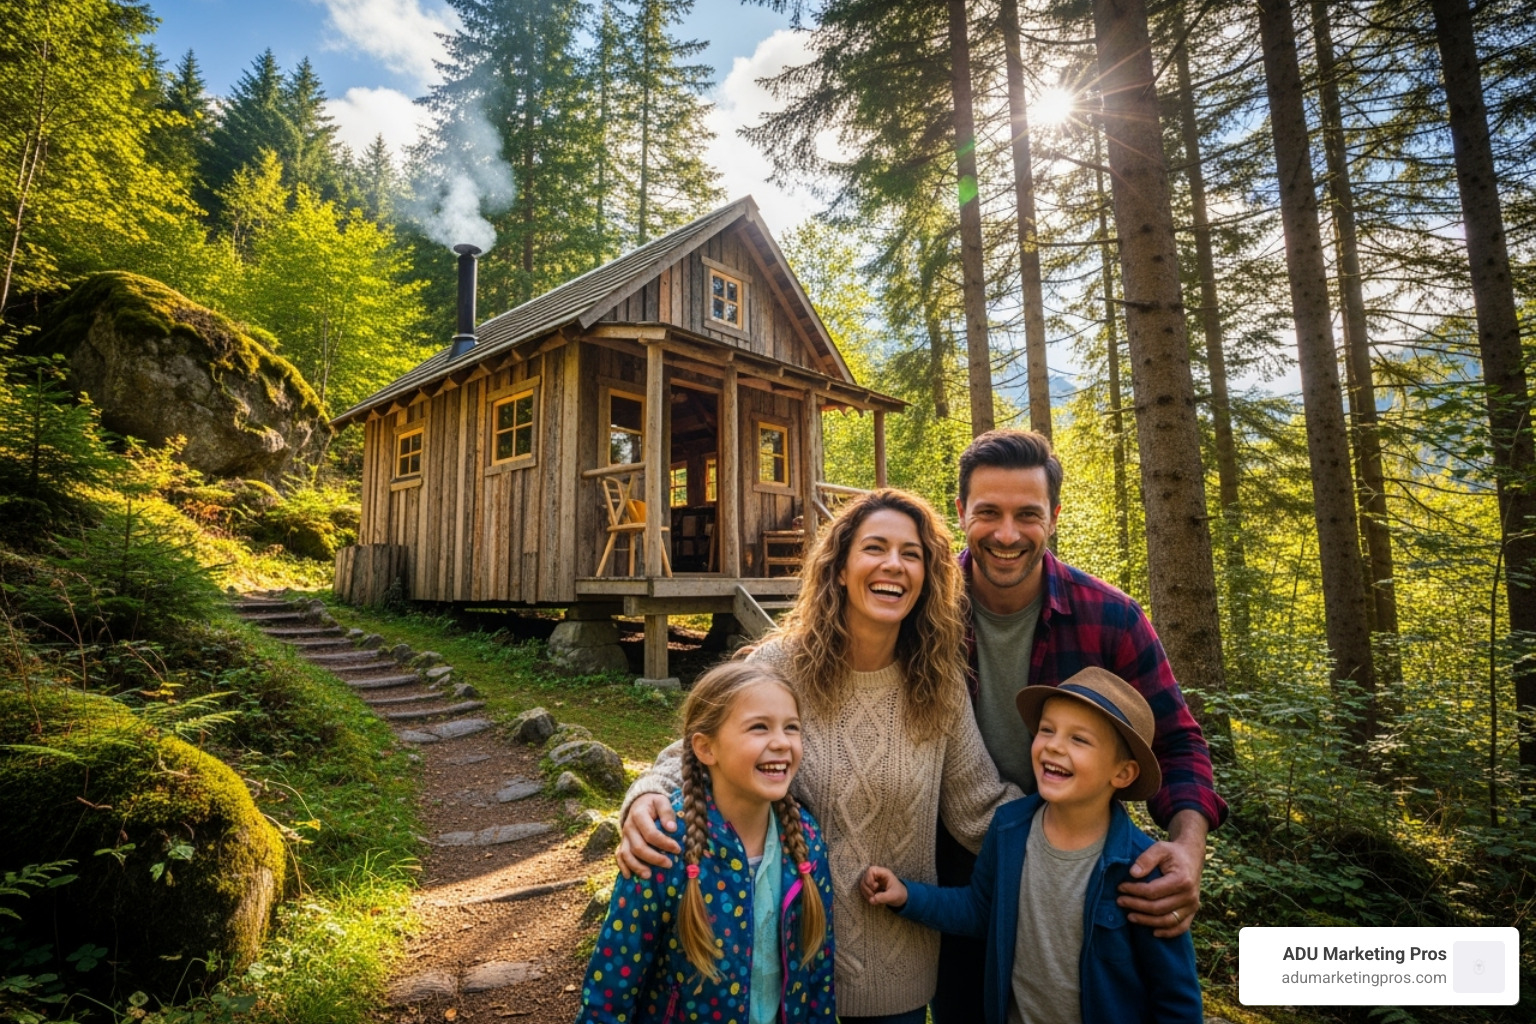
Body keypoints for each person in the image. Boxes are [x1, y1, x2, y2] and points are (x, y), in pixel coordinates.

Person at [618, 490, 1019, 1023]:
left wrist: (1086, 833)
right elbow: (693, 750)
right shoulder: (783, 664)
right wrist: (645, 795)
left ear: (928, 577)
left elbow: (981, 811)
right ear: (841, 567)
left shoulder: (939, 684)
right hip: (778, 977)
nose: (893, 565)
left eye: (912, 553)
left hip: (895, 983)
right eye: (875, 548)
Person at [933, 428, 1226, 1023]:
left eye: (1028, 514)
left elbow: (1176, 741)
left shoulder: (1110, 617)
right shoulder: (921, 608)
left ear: (1055, 517)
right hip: (946, 863)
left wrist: (1188, 846)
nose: (1007, 534)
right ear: (961, 512)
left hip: (1073, 871)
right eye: (988, 512)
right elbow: (793, 675)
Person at [860, 667, 1203, 1024]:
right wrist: (907, 896)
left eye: (1079, 739)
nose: (1054, 745)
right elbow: (979, 910)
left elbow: (1176, 999)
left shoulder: (1141, 870)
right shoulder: (1010, 828)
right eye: (1046, 730)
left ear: (1122, 773)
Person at [578, 660, 835, 1024]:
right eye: (759, 728)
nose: (781, 742)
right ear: (705, 748)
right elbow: (611, 991)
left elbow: (819, 974)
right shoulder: (664, 846)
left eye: (791, 728)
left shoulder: (805, 840)